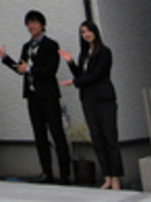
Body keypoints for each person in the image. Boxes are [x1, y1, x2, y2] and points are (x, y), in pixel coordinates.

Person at [0, 10, 70, 184]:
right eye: (28, 23)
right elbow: (21, 69)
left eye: (34, 22)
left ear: (42, 25)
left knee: (57, 134)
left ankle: (65, 174)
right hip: (32, 96)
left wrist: (30, 69)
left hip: (49, 95)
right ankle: (47, 172)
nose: (31, 26)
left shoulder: (51, 45)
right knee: (39, 134)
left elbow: (51, 70)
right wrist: (4, 57)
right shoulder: (26, 47)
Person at [58, 20, 123, 190]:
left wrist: (75, 81)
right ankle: (107, 177)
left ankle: (116, 178)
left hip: (104, 99)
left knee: (110, 138)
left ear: (95, 32)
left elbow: (97, 75)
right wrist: (71, 62)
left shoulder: (104, 52)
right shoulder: (84, 54)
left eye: (88, 31)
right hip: (88, 100)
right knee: (97, 139)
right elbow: (81, 75)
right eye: (82, 32)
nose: (86, 34)